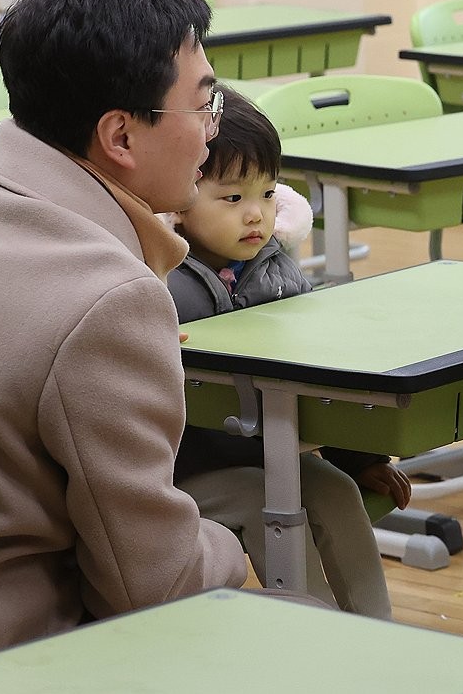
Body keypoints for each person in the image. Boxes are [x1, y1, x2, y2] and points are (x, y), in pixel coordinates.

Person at [0, 0, 248, 683]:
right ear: (120, 136)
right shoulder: (108, 296)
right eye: (203, 105)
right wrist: (244, 556)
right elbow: (154, 588)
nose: (211, 133)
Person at [168, 86, 411, 619]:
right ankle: (318, 647)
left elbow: (315, 379)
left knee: (337, 490)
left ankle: (381, 637)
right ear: (179, 202)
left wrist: (357, 458)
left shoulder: (276, 269)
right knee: (264, 502)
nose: (257, 215)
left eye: (269, 194)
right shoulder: (159, 283)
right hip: (180, 476)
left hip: (269, 454)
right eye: (233, 198)